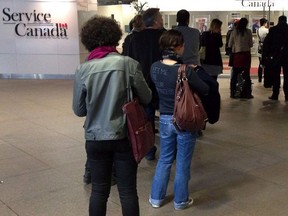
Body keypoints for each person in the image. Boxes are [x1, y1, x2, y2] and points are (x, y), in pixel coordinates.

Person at [73, 15, 152, 216]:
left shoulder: (83, 69)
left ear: (88, 40)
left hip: (95, 138)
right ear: (114, 37)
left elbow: (79, 110)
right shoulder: (128, 64)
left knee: (99, 191)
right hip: (124, 136)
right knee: (127, 191)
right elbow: (147, 97)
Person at [149, 29, 209, 210]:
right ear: (179, 47)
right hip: (184, 120)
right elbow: (205, 89)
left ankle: (156, 198)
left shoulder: (154, 67)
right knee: (183, 162)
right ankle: (180, 201)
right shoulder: (184, 70)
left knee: (165, 159)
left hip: (165, 119)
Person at [122, 8, 165, 160]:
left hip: (142, 84)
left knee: (147, 118)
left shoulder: (134, 39)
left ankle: (149, 149)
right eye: (160, 17)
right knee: (167, 116)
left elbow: (129, 61)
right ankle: (168, 149)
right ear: (154, 20)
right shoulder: (164, 37)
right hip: (163, 83)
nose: (162, 19)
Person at [262, 15, 288, 101]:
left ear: (278, 20)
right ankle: (287, 95)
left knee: (275, 76)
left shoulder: (273, 30)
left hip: (275, 56)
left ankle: (275, 94)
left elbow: (267, 44)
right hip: (287, 57)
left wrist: (265, 56)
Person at [228, 17, 253, 99]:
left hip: (237, 56)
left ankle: (232, 93)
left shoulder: (234, 32)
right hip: (246, 55)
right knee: (247, 75)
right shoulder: (248, 32)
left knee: (234, 75)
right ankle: (248, 93)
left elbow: (229, 44)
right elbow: (251, 44)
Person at [256, 18, 269, 83]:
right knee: (266, 63)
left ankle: (259, 78)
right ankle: (266, 78)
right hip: (266, 47)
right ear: (264, 23)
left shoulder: (258, 30)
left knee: (260, 63)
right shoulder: (267, 30)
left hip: (260, 47)